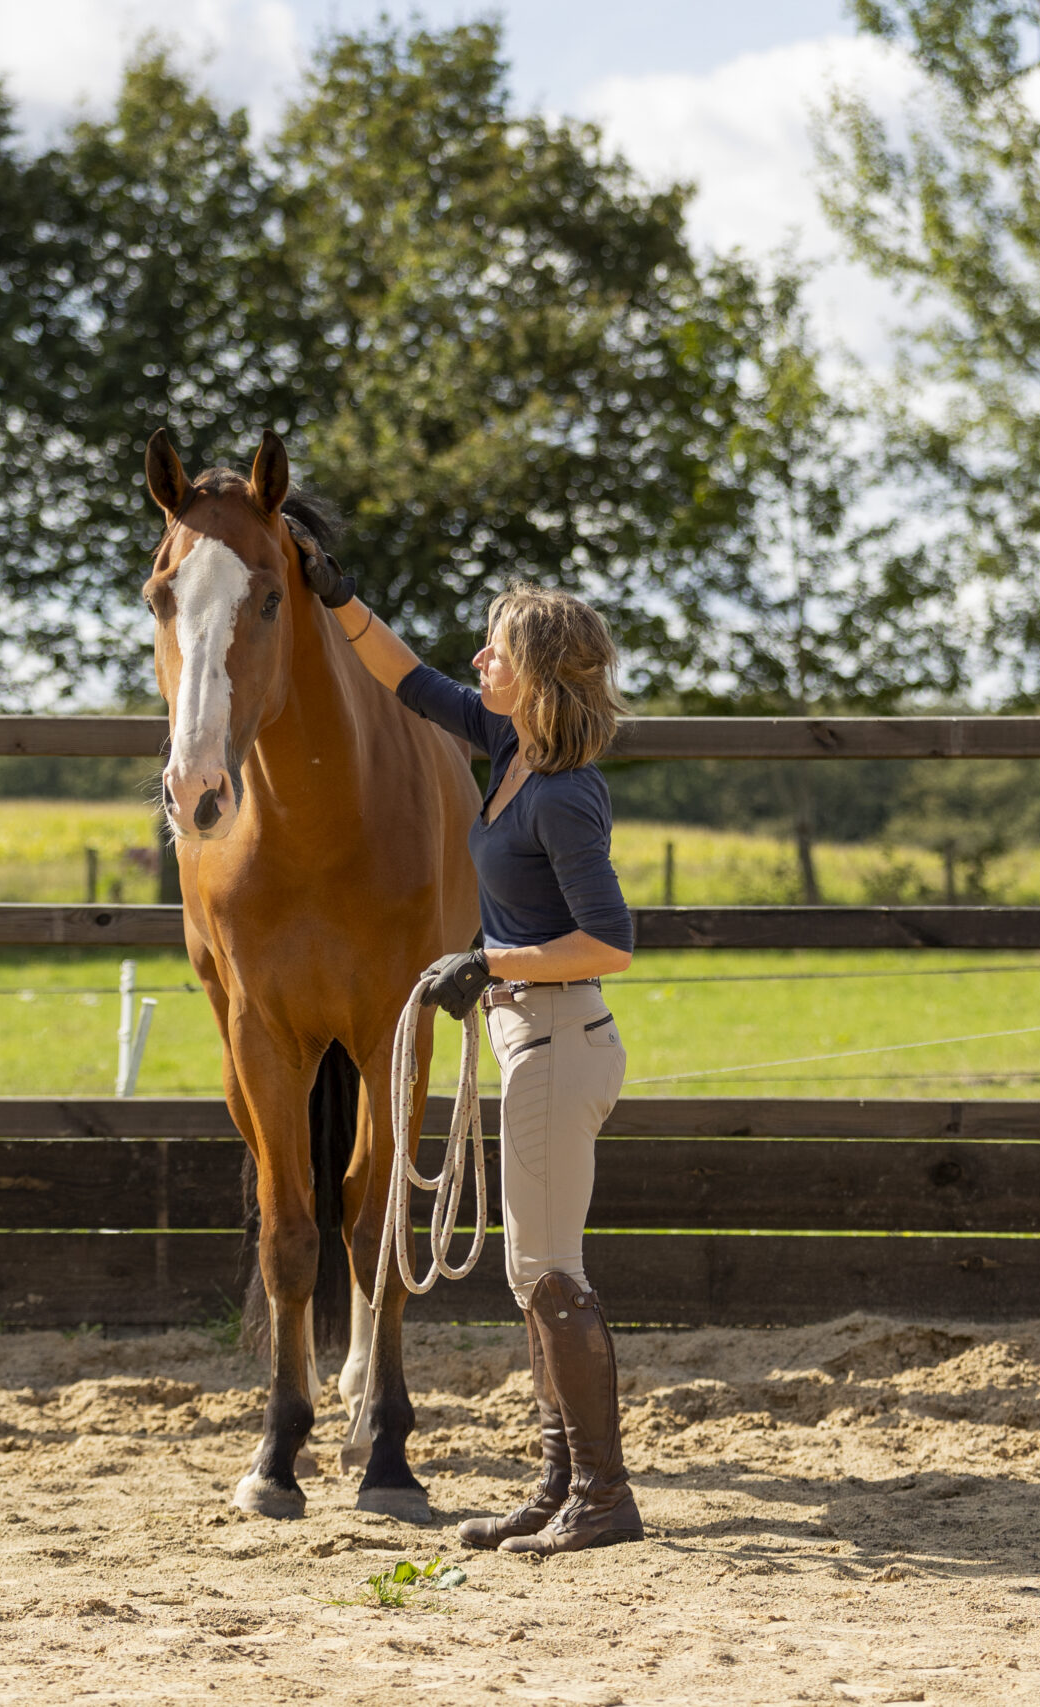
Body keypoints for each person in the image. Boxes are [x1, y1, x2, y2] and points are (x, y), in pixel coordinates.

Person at [320, 555, 641, 1557]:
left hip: (556, 1037)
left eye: (494, 651)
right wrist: (339, 597)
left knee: (548, 1274)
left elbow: (609, 941)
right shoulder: (509, 747)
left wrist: (488, 959)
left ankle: (601, 1496)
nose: (477, 662)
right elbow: (410, 679)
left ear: (533, 674)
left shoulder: (563, 797)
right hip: (532, 1036)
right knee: (531, 1272)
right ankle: (560, 1487)